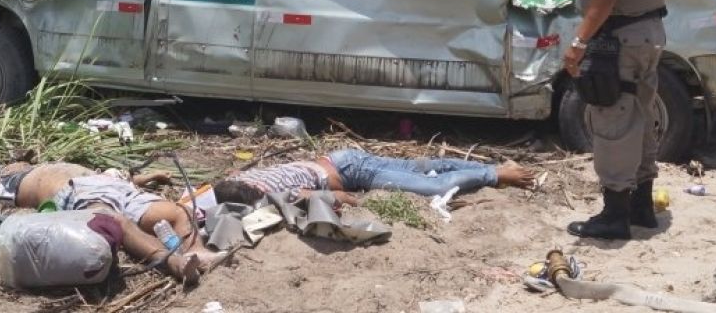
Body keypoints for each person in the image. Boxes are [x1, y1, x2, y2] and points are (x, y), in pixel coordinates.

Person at [563, 0, 671, 240]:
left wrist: (579, 42)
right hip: (649, 31)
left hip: (619, 38)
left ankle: (614, 215)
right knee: (641, 118)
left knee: (613, 122)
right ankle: (642, 206)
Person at [0, 153, 219, 284]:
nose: (16, 163)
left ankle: (198, 251)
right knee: (113, 219)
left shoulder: (42, 166)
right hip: (77, 192)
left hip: (118, 187)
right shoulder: (7, 183)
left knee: (177, 211)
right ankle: (174, 263)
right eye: (12, 164)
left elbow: (121, 176)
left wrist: (149, 177)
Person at [213, 148, 536, 206]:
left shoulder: (272, 195)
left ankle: (494, 173)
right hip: (341, 157)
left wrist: (352, 202)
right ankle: (495, 165)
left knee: (433, 187)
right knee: (422, 167)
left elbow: (339, 197)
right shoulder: (243, 175)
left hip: (353, 172)